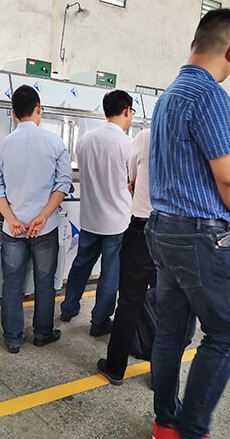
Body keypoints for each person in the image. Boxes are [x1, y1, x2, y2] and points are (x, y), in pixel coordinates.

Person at [144, 9, 230, 439]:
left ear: (194, 43)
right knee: (229, 335)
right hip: (198, 235)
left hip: (162, 229)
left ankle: (165, 423)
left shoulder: (168, 97)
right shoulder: (211, 96)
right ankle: (191, 431)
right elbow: (229, 177)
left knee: (171, 333)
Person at [0, 85, 72, 354]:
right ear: (39, 109)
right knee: (45, 282)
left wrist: (12, 219)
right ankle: (43, 333)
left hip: (13, 229)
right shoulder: (55, 143)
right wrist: (43, 216)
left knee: (12, 282)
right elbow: (63, 184)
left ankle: (13, 338)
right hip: (44, 228)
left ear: (14, 114)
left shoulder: (2, 146)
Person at [59, 90, 133, 337]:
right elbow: (132, 181)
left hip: (90, 216)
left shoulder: (85, 139)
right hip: (117, 221)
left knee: (81, 264)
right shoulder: (126, 144)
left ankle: (68, 309)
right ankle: (99, 321)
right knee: (110, 273)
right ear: (126, 110)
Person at [96, 128, 158, 385]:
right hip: (177, 234)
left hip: (142, 228)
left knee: (130, 301)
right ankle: (162, 375)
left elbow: (132, 177)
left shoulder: (146, 135)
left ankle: (116, 367)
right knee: (170, 305)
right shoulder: (196, 137)